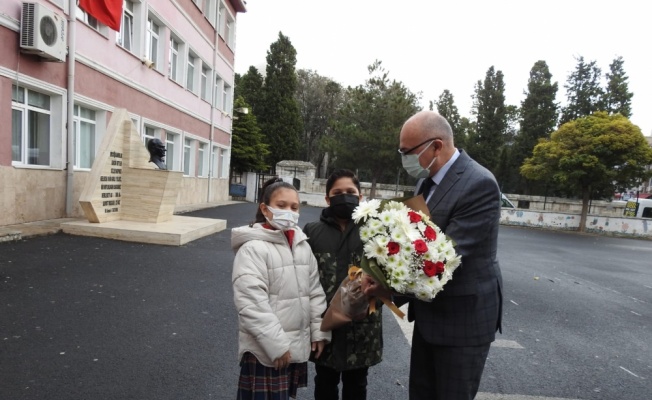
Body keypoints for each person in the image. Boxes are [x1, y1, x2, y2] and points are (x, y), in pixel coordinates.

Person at [365, 110, 503, 400]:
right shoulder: (425, 181)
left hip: (462, 321)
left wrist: (388, 288)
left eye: (408, 151)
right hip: (430, 317)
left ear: (436, 146)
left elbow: (445, 258)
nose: (404, 158)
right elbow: (412, 242)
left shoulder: (479, 184)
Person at [231, 177, 331, 400]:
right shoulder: (253, 249)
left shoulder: (302, 246)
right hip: (266, 351)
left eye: (294, 207)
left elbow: (314, 292)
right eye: (282, 206)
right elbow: (251, 304)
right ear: (265, 209)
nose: (289, 212)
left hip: (293, 348)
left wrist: (319, 332)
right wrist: (276, 346)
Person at [303, 169, 383, 400]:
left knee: (357, 385)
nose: (344, 196)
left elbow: (391, 276)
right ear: (327, 199)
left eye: (350, 192)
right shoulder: (312, 231)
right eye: (337, 193)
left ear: (361, 197)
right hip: (325, 324)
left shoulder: (375, 230)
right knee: (324, 383)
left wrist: (375, 298)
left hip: (363, 327)